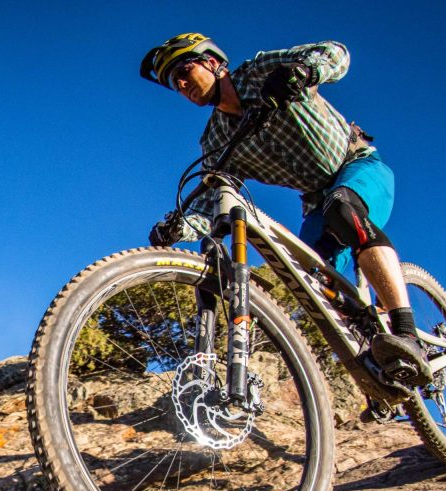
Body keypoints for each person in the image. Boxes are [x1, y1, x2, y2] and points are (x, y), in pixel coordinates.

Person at [141, 33, 430, 386]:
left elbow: (336, 53)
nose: (182, 83)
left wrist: (304, 70)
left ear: (213, 62)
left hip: (357, 165)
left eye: (184, 70)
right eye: (174, 82)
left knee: (344, 209)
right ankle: (378, 366)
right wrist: (179, 229)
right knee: (315, 286)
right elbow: (209, 208)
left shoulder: (262, 71)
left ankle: (406, 332)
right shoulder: (216, 140)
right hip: (314, 200)